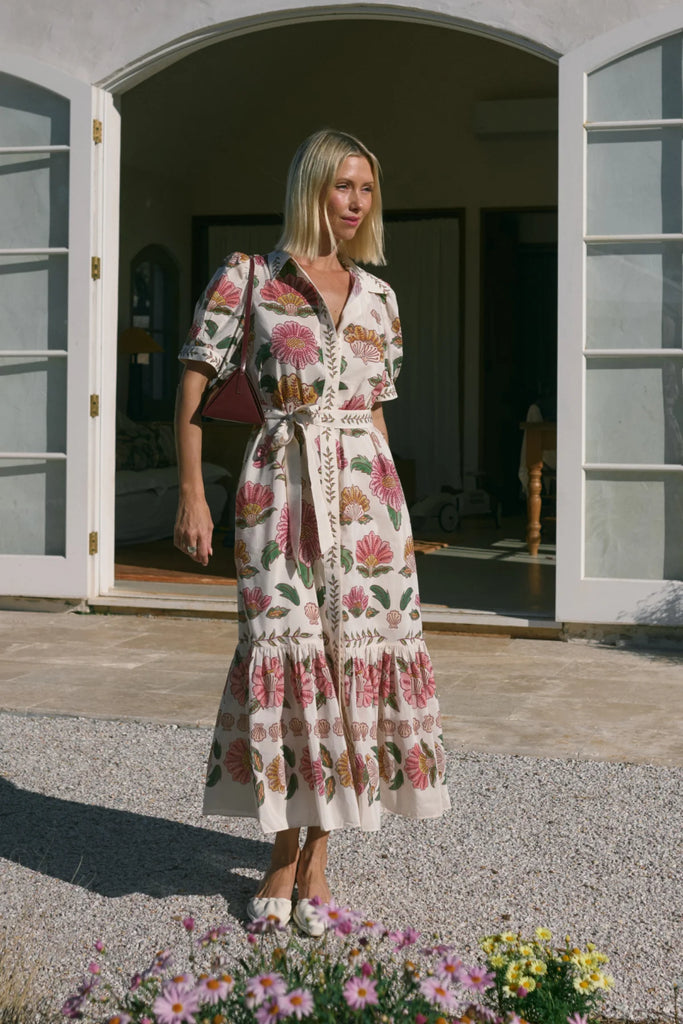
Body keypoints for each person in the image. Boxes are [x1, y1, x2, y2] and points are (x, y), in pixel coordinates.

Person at [174, 128, 450, 935]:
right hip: (274, 492)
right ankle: (280, 853)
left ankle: (319, 857)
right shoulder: (249, 279)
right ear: (310, 190)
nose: (356, 202)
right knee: (286, 655)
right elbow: (193, 384)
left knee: (346, 665)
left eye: (366, 188)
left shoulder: (380, 297)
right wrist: (193, 494)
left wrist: (396, 529)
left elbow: (378, 418)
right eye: (341, 186)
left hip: (369, 502)